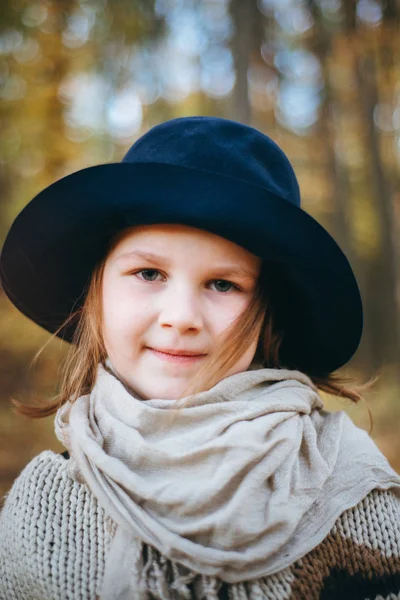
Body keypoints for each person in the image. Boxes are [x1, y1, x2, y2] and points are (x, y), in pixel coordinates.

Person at [0, 116, 399, 600]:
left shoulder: (352, 494)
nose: (182, 316)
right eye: (149, 273)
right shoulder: (42, 506)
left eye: (223, 284)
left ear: (267, 315)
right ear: (96, 293)